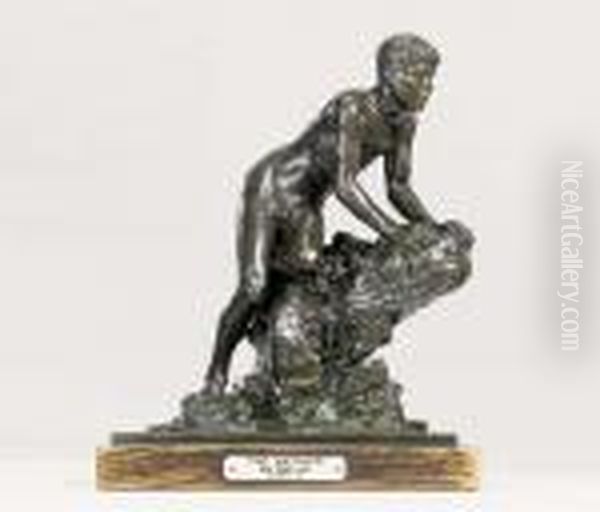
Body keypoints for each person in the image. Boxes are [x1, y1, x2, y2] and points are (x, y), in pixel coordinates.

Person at [204, 33, 439, 395]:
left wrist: (431, 228)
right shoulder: (354, 108)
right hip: (272, 186)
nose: (428, 88)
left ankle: (273, 358)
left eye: (431, 79)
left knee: (303, 272)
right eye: (420, 76)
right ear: (391, 74)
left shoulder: (405, 124)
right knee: (254, 285)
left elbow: (399, 187)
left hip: (308, 203)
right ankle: (217, 371)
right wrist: (392, 232)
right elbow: (345, 185)